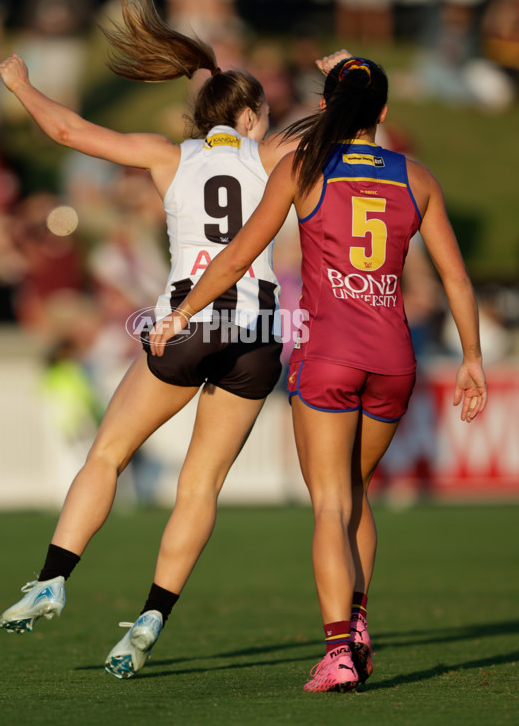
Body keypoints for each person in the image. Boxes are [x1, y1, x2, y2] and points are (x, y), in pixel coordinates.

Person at [0, 0, 330, 679]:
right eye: (262, 115)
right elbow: (340, 121)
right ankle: (151, 616)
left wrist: (21, 83)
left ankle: (54, 577)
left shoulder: (166, 155)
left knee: (108, 453)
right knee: (199, 486)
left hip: (186, 320)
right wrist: (342, 78)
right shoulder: (271, 157)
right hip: (259, 330)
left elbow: (66, 133)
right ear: (246, 115)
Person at [149, 55, 487, 692]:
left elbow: (234, 259)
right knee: (355, 493)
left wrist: (182, 315)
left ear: (329, 108)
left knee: (330, 503)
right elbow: (456, 279)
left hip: (329, 356)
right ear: (383, 113)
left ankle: (338, 651)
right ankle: (358, 620)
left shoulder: (303, 167)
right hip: (393, 360)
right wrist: (471, 358)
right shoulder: (416, 177)